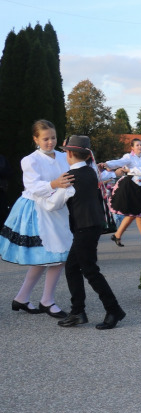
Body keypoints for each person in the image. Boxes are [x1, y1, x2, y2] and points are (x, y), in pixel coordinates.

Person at [0, 120, 73, 317]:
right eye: (45, 139)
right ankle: (47, 301)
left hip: (57, 209)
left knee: (49, 258)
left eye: (53, 138)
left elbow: (74, 174)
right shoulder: (30, 160)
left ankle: (22, 298)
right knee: (56, 256)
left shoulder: (63, 156)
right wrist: (55, 183)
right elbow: (33, 186)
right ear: (36, 139)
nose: (50, 142)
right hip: (36, 210)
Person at [57, 136, 126, 330]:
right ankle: (78, 311)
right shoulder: (91, 171)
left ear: (69, 153)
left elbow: (56, 202)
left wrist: (48, 189)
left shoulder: (71, 176)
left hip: (84, 226)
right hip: (92, 224)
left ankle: (114, 310)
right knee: (72, 267)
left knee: (89, 270)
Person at [101, 138, 141, 248]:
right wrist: (106, 164)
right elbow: (119, 162)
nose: (140, 147)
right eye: (137, 145)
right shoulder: (129, 157)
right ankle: (139, 237)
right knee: (134, 213)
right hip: (132, 186)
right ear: (132, 147)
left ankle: (126, 236)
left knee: (139, 213)